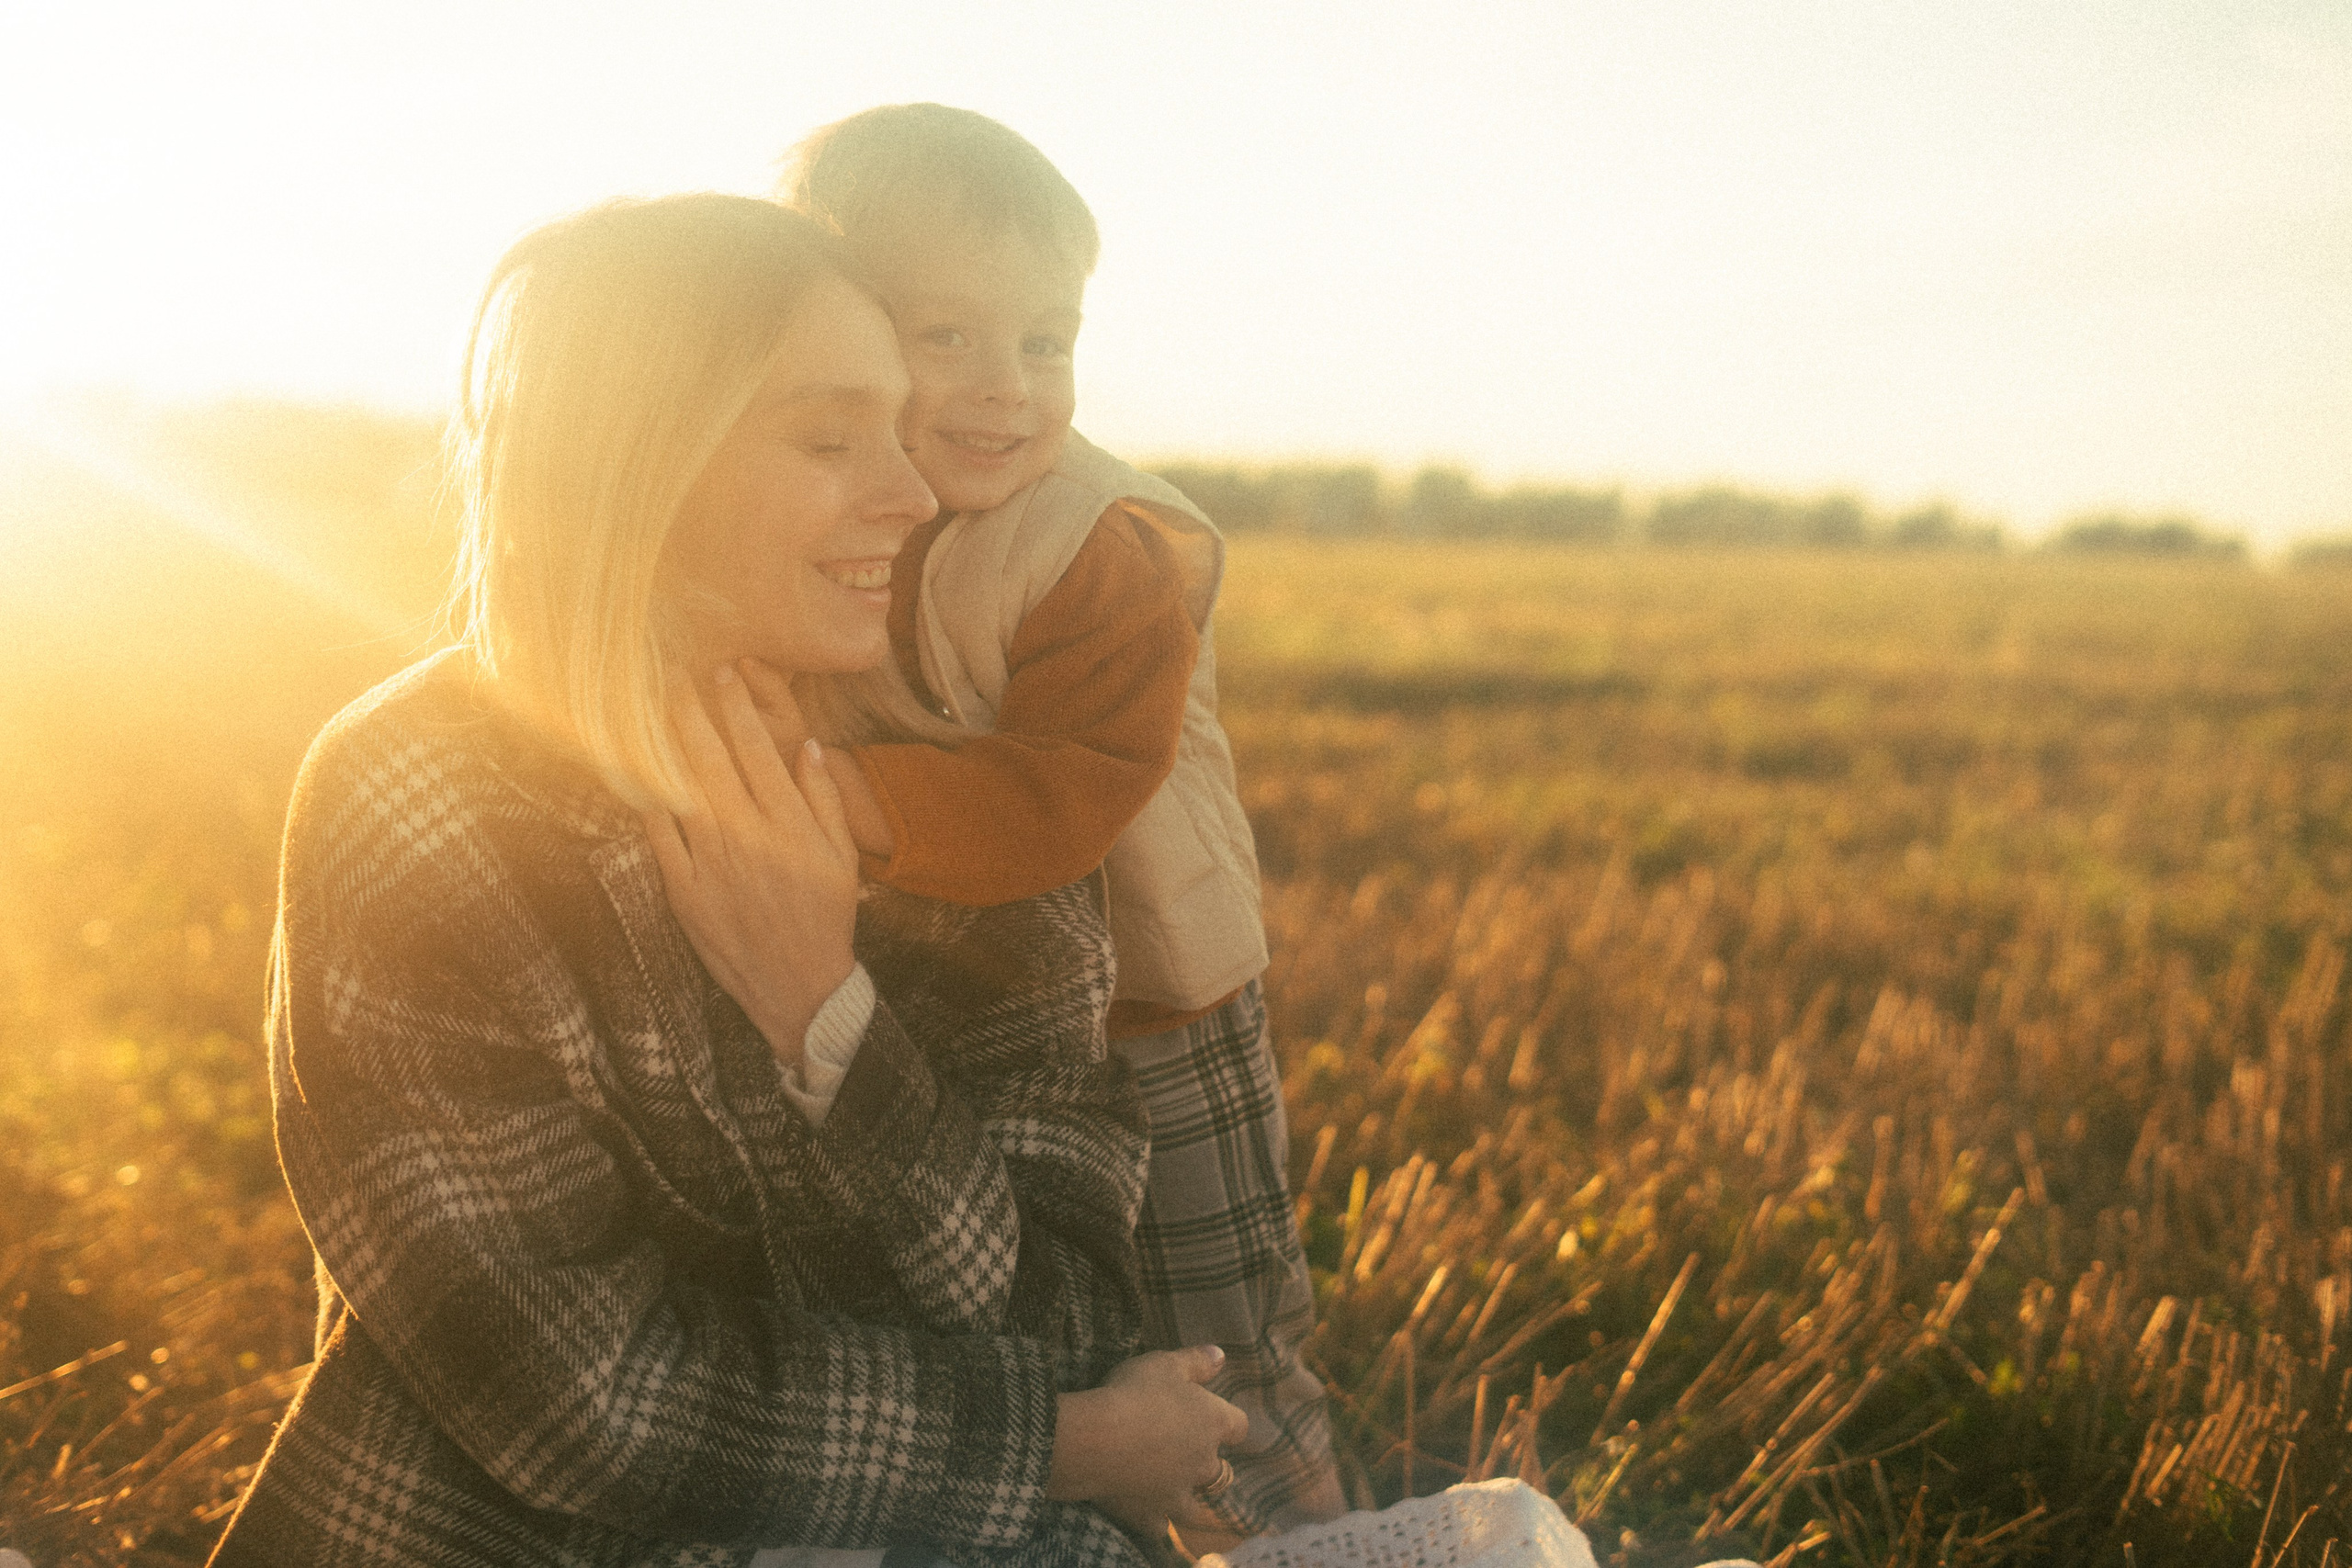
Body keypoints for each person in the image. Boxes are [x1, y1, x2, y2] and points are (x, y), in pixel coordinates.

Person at [205, 193, 1244, 1568]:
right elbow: (584, 1404)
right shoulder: (420, 797)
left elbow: (1070, 1321)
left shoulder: (964, 793)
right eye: (829, 439)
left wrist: (827, 1019)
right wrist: (1059, 1445)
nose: (915, 492)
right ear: (633, 463)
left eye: (899, 427)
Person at [775, 106, 1345, 1547]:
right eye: (943, 336)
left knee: (1223, 1339)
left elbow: (1066, 793)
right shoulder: (845, 515)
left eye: (1046, 340)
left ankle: (1295, 1539)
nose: (1004, 390)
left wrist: (834, 808)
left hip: (1159, 1007)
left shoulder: (1104, 544)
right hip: (968, 1005)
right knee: (1039, 1321)